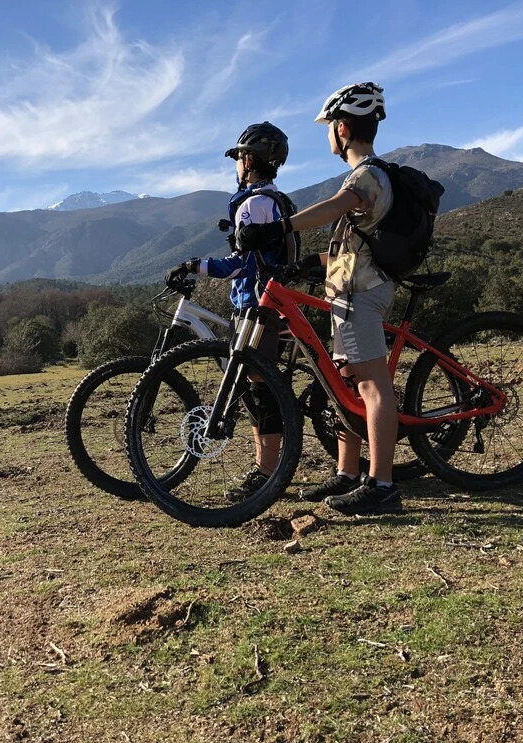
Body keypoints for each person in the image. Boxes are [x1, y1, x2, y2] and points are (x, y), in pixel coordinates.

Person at [247, 82, 402, 514]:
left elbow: (336, 205)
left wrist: (279, 227)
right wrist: (307, 264)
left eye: (329, 127)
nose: (328, 135)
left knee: (372, 387)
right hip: (348, 291)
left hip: (362, 293)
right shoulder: (368, 175)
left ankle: (383, 486)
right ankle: (348, 472)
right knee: (346, 385)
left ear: (343, 128)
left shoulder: (366, 175)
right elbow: (353, 245)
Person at [163, 121, 291, 502]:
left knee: (261, 390)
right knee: (254, 388)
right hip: (266, 304)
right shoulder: (276, 199)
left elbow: (242, 265)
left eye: (238, 157)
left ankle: (267, 473)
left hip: (256, 307)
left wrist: (195, 265)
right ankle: (265, 468)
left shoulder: (254, 204)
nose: (236, 165)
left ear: (249, 160)